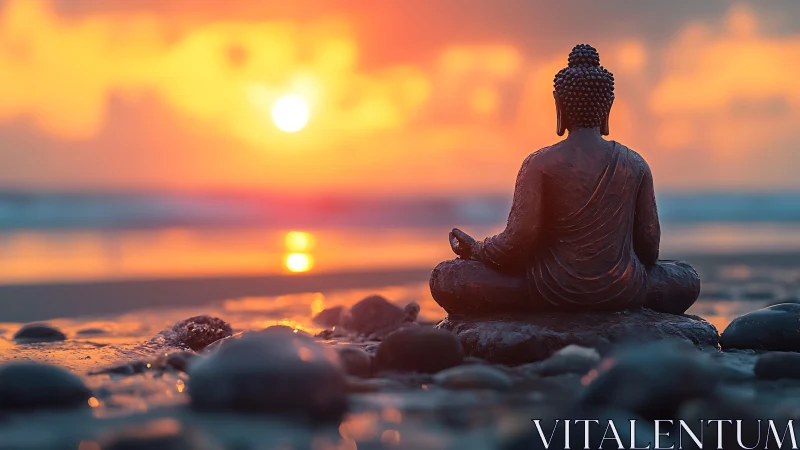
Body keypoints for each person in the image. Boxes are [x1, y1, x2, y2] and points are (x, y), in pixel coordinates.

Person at [430, 44, 700, 317]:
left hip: (550, 290)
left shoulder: (539, 164)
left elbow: (516, 243)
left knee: (449, 275)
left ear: (559, 104)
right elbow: (649, 249)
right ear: (607, 106)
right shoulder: (635, 163)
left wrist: (477, 249)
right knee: (685, 277)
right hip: (623, 291)